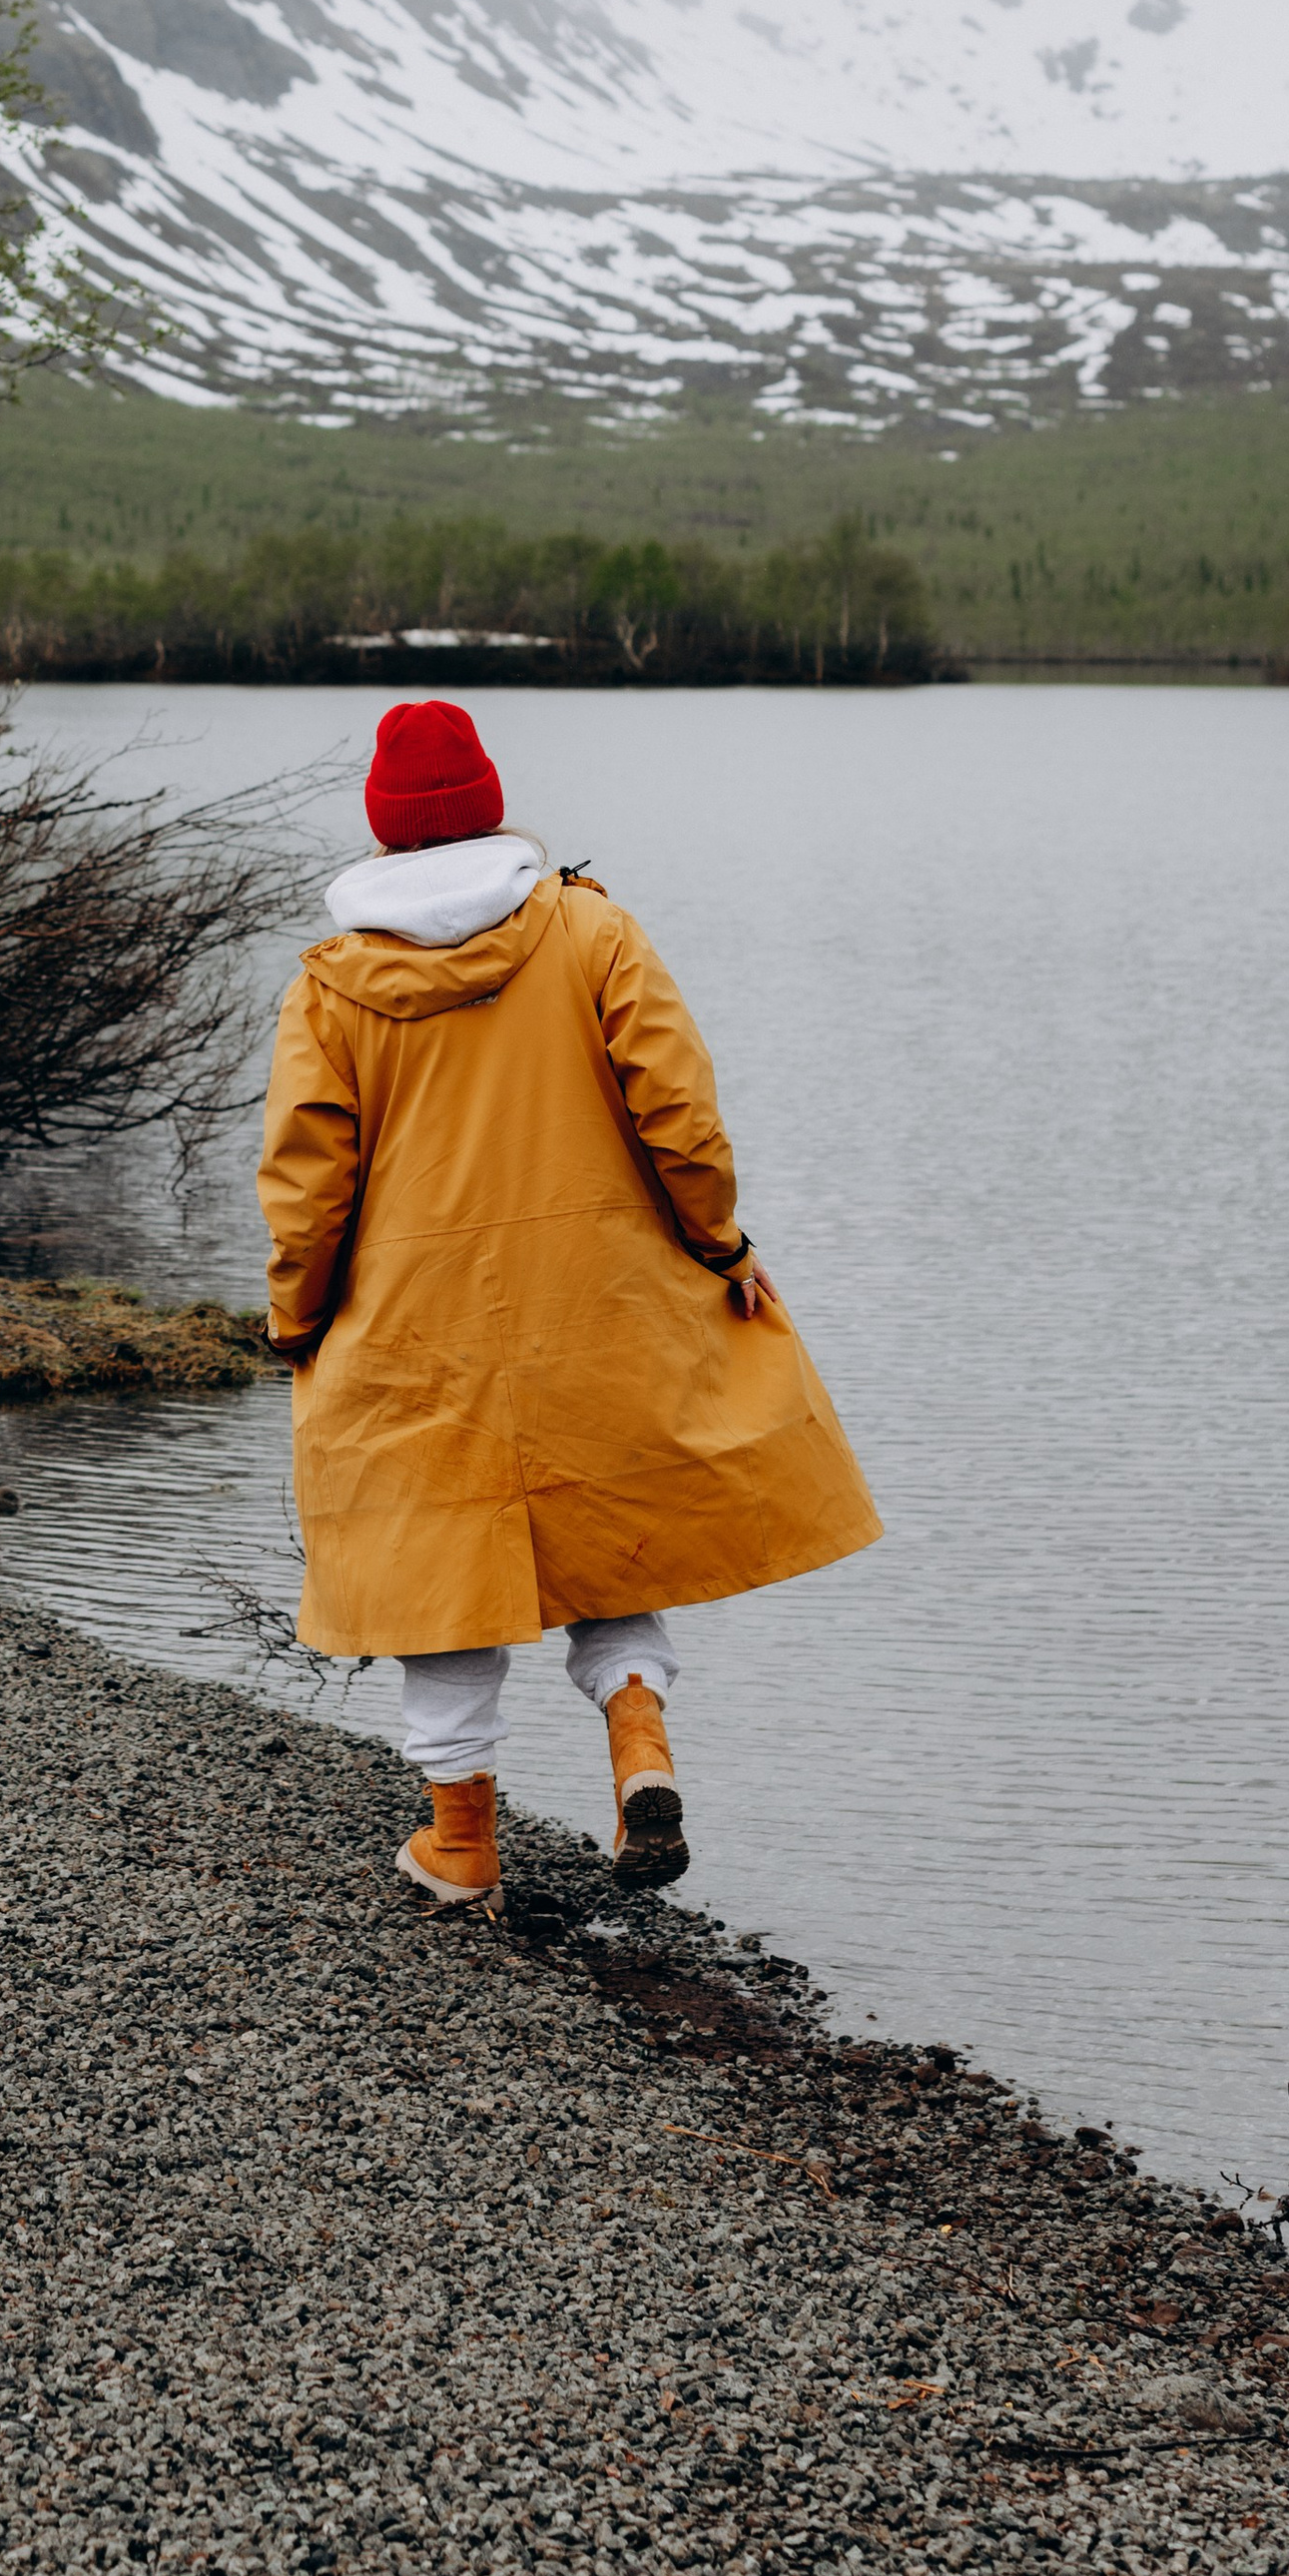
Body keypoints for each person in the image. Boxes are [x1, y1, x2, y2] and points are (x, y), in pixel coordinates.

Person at [256, 699, 879, 1914]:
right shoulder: (591, 930)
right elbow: (680, 1118)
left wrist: (299, 1315)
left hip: (414, 1330)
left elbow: (304, 1187)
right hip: (591, 1308)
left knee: (436, 1586)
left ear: (382, 828)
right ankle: (638, 1744)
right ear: (490, 804)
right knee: (607, 1538)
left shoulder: (330, 986)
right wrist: (720, 1245)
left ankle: (461, 1850)